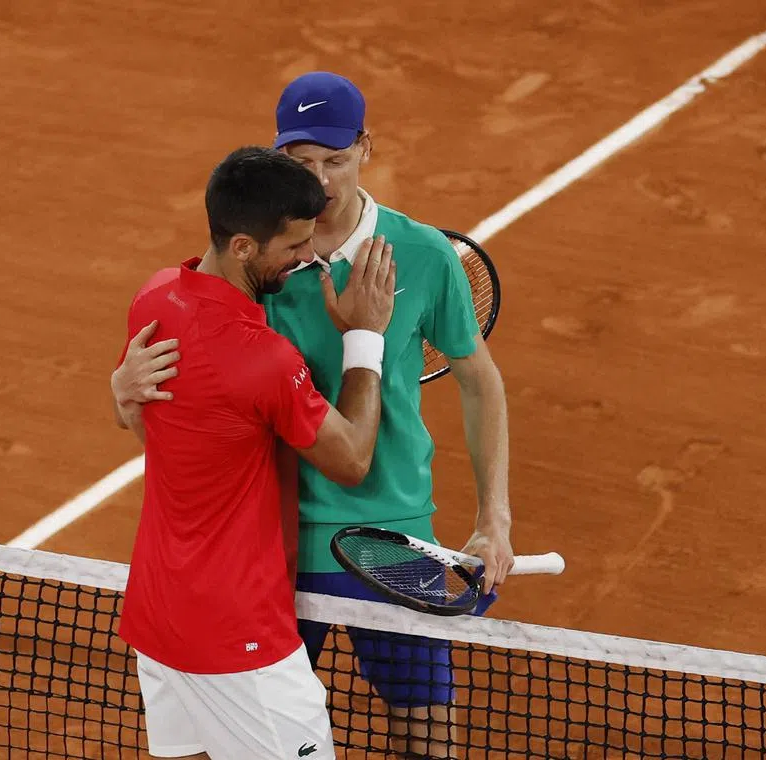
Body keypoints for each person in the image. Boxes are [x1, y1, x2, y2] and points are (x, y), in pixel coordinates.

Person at [114, 72, 515, 758]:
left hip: (391, 535)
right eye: (303, 163)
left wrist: (494, 517)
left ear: (366, 148)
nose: (323, 180)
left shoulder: (419, 255)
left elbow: (479, 380)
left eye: (336, 159)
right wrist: (122, 388)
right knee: (239, 726)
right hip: (275, 543)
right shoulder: (261, 257)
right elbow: (190, 387)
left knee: (426, 730)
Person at [113, 145, 397, 760]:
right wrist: (366, 338)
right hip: (238, 637)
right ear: (243, 246)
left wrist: (119, 394)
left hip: (158, 619)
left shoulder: (155, 298)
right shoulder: (262, 360)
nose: (309, 257)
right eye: (294, 247)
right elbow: (351, 460)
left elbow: (145, 418)